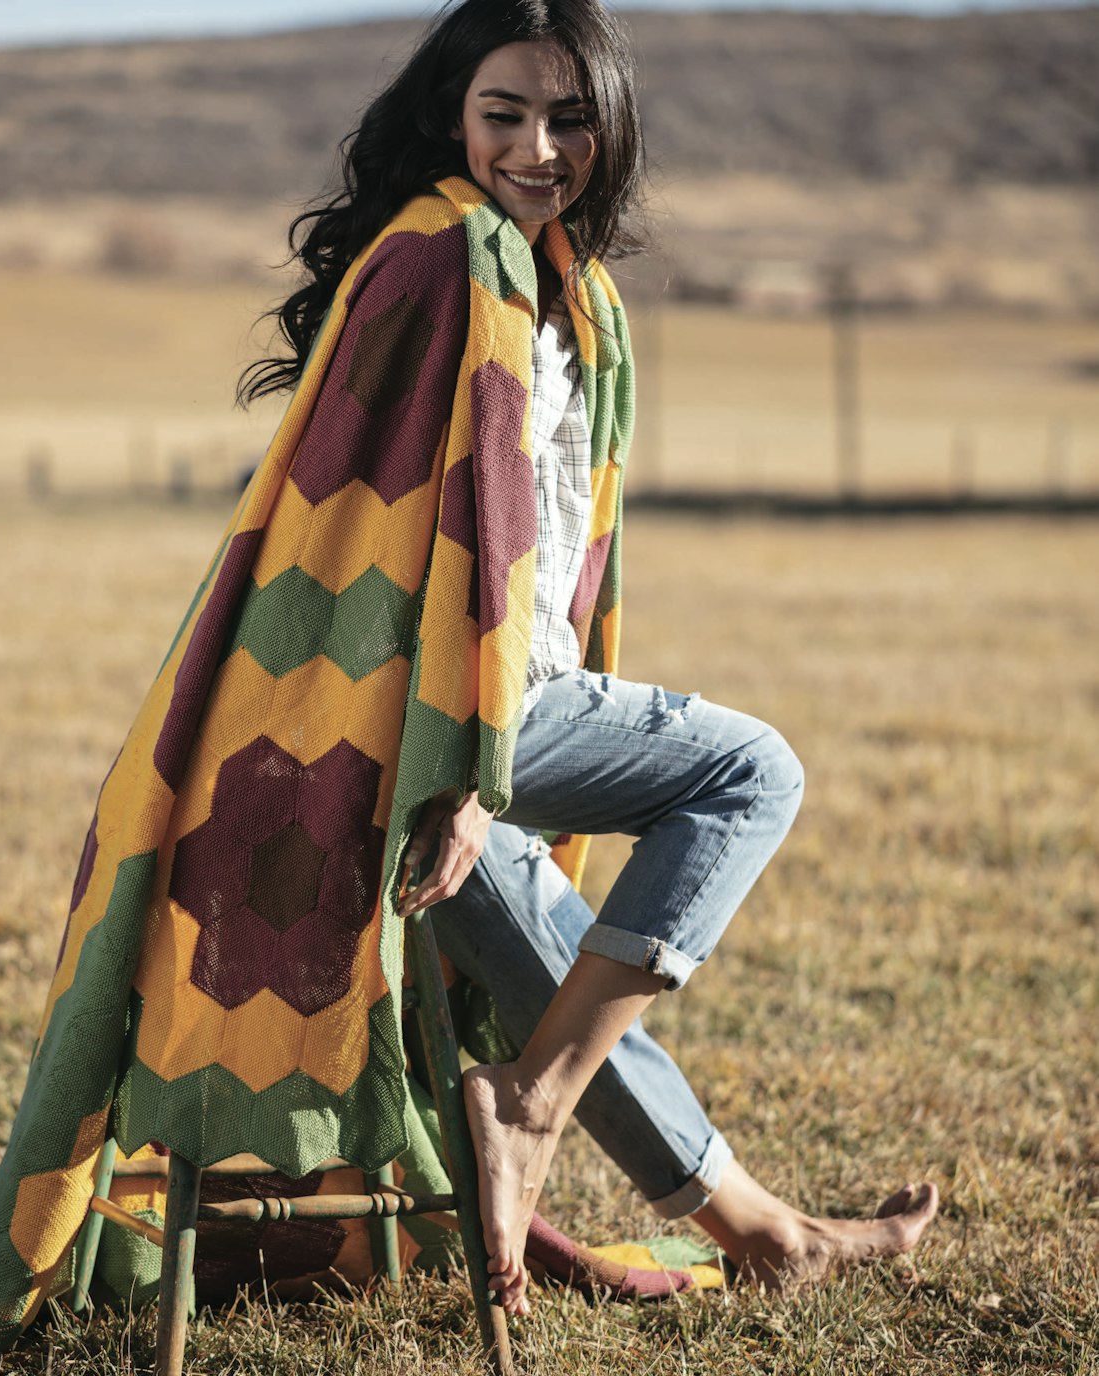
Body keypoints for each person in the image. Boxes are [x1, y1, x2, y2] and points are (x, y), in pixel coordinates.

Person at [241, 0, 938, 1319]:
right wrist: (469, 766)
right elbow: (407, 541)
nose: (537, 146)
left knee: (578, 979)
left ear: (610, 127)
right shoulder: (448, 262)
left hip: (431, 715)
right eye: (503, 113)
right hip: (443, 710)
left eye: (568, 118)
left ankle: (766, 1234)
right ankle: (536, 1105)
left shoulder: (548, 278)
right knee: (753, 773)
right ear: (452, 113)